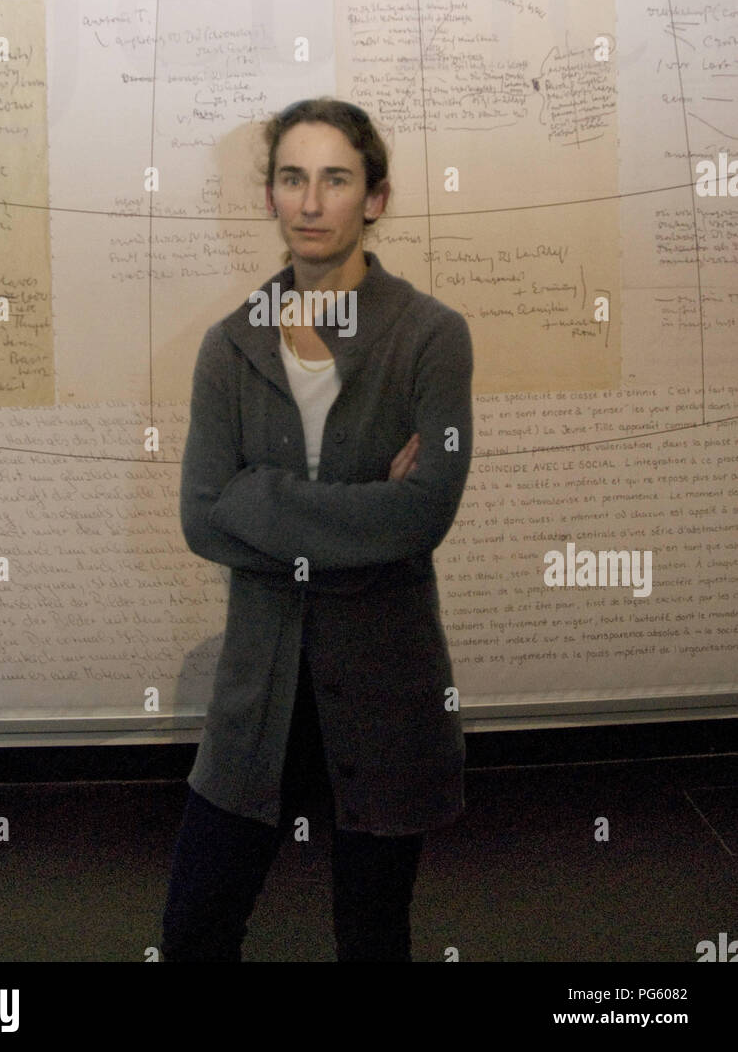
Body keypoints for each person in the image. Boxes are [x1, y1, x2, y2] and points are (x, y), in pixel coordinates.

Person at [160, 97, 473, 961]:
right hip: (259, 697)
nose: (309, 201)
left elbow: (426, 512)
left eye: (335, 179)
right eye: (291, 178)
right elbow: (198, 515)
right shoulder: (229, 348)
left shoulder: (432, 338)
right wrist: (364, 513)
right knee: (193, 931)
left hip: (388, 694)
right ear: (269, 196)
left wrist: (257, 499)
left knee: (373, 940)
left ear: (374, 198)